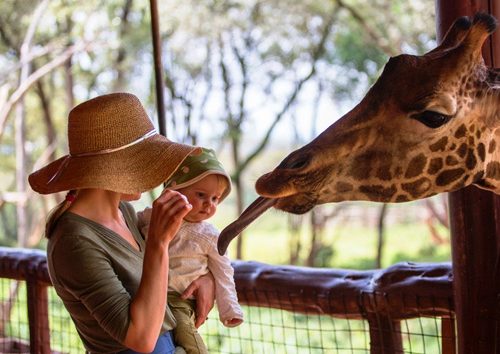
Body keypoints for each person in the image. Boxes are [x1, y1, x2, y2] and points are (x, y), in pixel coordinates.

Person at [28, 92, 216, 354]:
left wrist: (206, 277)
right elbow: (140, 338)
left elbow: (159, 274)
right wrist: (158, 242)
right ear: (120, 166)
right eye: (145, 160)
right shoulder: (74, 241)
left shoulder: (124, 211)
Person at [138, 148, 243, 354]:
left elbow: (223, 272)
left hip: (181, 299)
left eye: (215, 198)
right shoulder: (153, 216)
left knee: (185, 332)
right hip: (147, 292)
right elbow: (132, 225)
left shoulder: (210, 235)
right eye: (202, 195)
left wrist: (229, 308)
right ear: (176, 190)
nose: (209, 205)